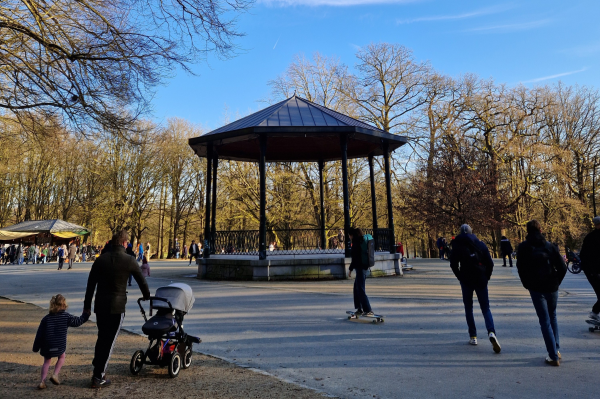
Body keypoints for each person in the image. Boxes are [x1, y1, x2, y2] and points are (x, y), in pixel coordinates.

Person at [83, 230, 150, 388]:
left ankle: (98, 369)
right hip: (117, 306)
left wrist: (87, 306)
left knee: (102, 338)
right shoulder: (129, 260)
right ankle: (99, 376)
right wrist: (147, 296)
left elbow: (90, 285)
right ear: (125, 243)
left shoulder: (101, 260)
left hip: (100, 305)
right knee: (109, 342)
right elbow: (142, 281)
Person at [516, 220, 567, 366]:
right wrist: (557, 283)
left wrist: (527, 284)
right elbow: (562, 267)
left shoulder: (523, 247)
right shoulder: (550, 246)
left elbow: (521, 269)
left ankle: (552, 356)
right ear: (541, 230)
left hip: (536, 288)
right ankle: (556, 349)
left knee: (544, 320)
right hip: (552, 286)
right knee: (553, 316)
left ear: (527, 231)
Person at [450, 224, 501, 353]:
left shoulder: (457, 245)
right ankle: (491, 331)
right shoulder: (480, 244)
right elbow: (490, 263)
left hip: (466, 279)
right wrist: (486, 277)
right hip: (480, 279)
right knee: (485, 308)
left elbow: (453, 264)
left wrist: (460, 276)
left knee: (468, 307)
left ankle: (473, 336)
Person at [33, 294, 89, 389]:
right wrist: (85, 315)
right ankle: (55, 374)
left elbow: (39, 334)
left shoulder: (46, 319)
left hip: (47, 345)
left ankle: (42, 381)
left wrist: (36, 347)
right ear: (64, 305)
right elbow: (78, 322)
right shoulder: (66, 316)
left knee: (47, 361)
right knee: (62, 357)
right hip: (59, 345)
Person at [347, 227, 374, 317]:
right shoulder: (361, 241)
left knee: (360, 289)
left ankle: (368, 309)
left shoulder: (356, 243)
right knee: (356, 288)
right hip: (364, 267)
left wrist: (350, 269)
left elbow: (355, 258)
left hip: (360, 268)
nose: (349, 238)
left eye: (349, 236)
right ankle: (359, 308)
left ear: (351, 235)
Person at [579, 216, 600, 321]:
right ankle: (595, 312)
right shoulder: (591, 237)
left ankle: (595, 312)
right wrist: (592, 272)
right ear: (596, 225)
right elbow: (584, 256)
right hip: (593, 271)